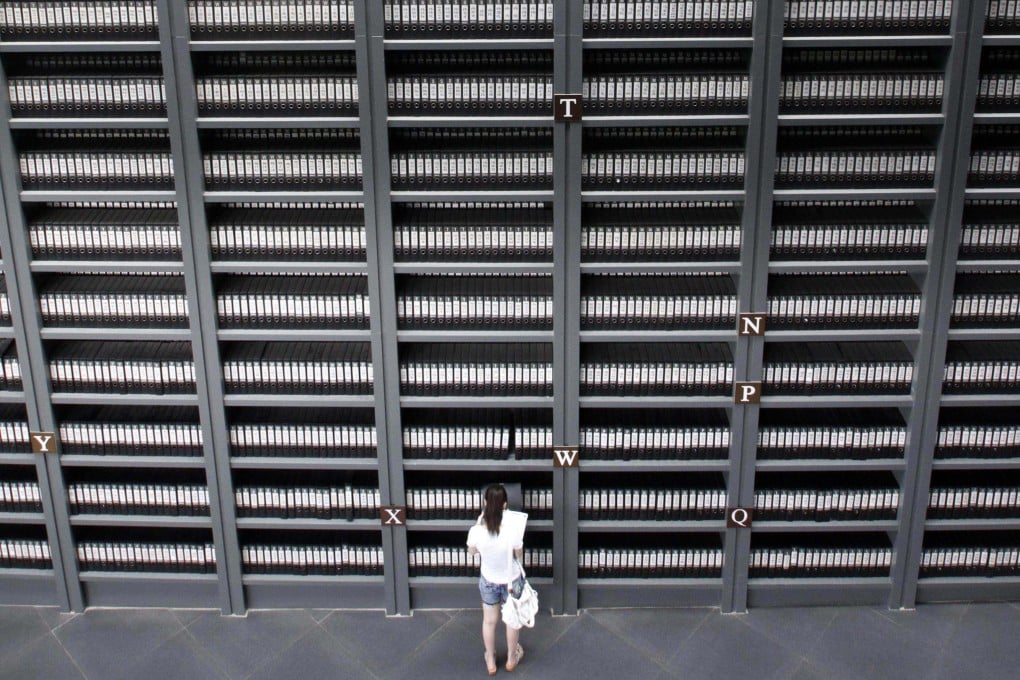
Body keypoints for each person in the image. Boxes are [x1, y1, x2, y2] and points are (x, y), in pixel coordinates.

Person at [466, 483, 526, 675]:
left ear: (485, 503)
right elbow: (518, 554)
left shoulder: (476, 531)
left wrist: (478, 524)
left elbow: (472, 551)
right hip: (511, 581)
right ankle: (511, 658)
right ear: (505, 505)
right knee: (512, 620)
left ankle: (491, 660)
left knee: (489, 621)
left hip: (489, 580)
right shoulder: (512, 530)